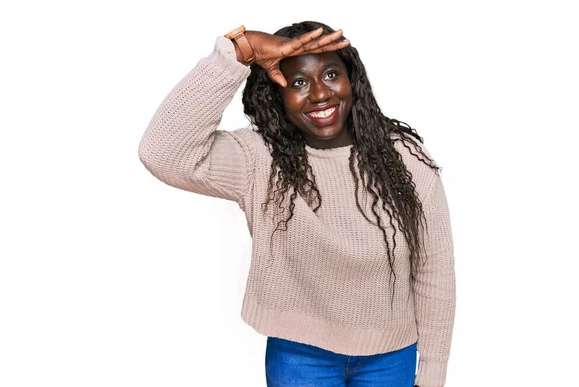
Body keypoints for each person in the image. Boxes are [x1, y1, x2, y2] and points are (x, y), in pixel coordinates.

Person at [138, 21, 456, 387]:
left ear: (353, 81)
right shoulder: (259, 160)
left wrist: (433, 368)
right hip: (301, 357)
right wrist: (239, 51)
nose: (320, 94)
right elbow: (161, 152)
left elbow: (435, 268)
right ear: (276, 93)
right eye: (299, 82)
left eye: (332, 74)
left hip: (391, 357)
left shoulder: (402, 156)